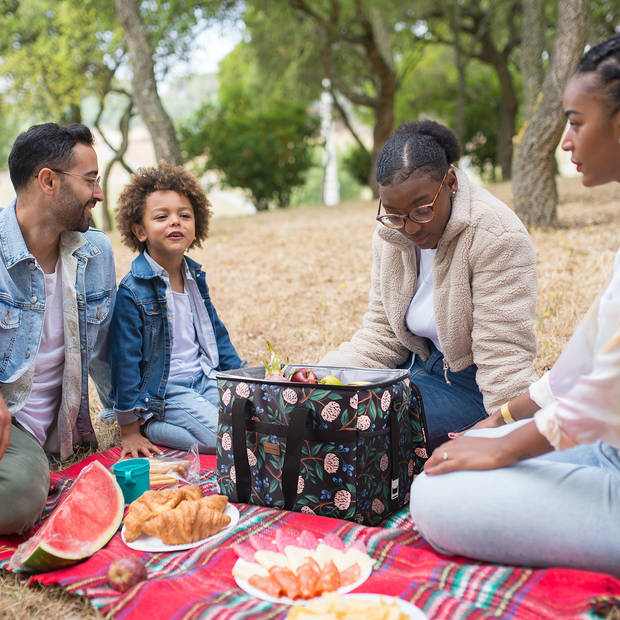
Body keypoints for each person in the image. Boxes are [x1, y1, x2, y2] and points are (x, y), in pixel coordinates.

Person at [410, 34, 620, 578]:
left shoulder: (495, 232)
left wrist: (504, 451)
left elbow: (607, 391)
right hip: (605, 446)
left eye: (576, 122)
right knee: (446, 467)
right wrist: (498, 424)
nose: (566, 141)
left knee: (435, 501)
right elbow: (586, 356)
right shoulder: (392, 237)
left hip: (602, 439)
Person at [320, 120, 538, 447]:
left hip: (471, 386)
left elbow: (503, 360)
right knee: (321, 410)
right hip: (413, 370)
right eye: (394, 214)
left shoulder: (497, 237)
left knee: (365, 429)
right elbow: (382, 334)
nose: (408, 227)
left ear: (450, 182)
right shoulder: (391, 234)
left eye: (422, 210)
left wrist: (504, 440)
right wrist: (311, 381)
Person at [0, 122, 116, 535]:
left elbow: (106, 354)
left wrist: (135, 420)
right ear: (47, 181)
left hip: (27, 435)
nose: (99, 194)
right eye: (90, 181)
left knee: (17, 499)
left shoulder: (96, 252)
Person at [109, 162, 244, 458]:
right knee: (225, 440)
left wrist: (242, 381)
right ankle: (151, 426)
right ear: (140, 231)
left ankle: (179, 422)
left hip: (205, 378)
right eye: (162, 217)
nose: (176, 222)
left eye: (185, 215)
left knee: (249, 423)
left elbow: (217, 334)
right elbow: (124, 361)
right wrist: (129, 429)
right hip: (165, 390)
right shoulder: (133, 291)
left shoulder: (194, 277)